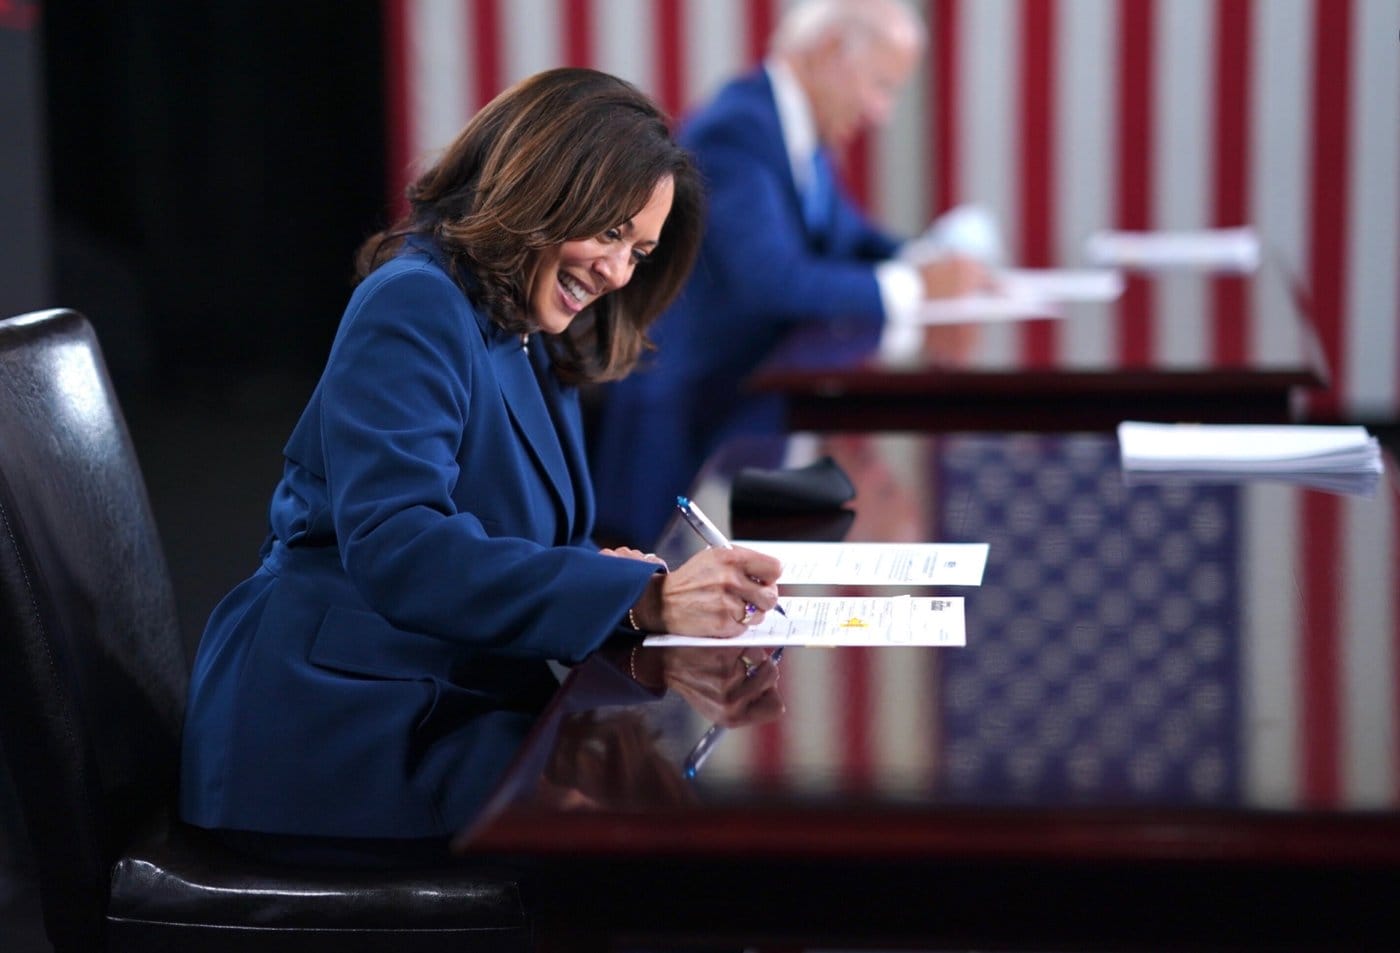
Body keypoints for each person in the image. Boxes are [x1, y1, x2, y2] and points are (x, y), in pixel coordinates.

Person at [179, 67, 784, 863]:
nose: (618, 273)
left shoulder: (529, 327)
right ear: (543, 187)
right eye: (608, 233)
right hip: (340, 733)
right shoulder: (414, 302)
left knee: (679, 821)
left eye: (638, 251)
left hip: (447, 699)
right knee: (666, 853)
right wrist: (643, 597)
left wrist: (603, 575)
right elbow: (404, 547)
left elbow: (492, 527)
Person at [589, 0, 987, 549]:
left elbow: (851, 240)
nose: (881, 111)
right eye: (880, 84)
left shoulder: (796, 129)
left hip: (742, 408)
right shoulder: (740, 128)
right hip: (684, 423)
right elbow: (770, 280)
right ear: (828, 53)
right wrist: (919, 286)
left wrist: (934, 263)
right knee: (649, 604)